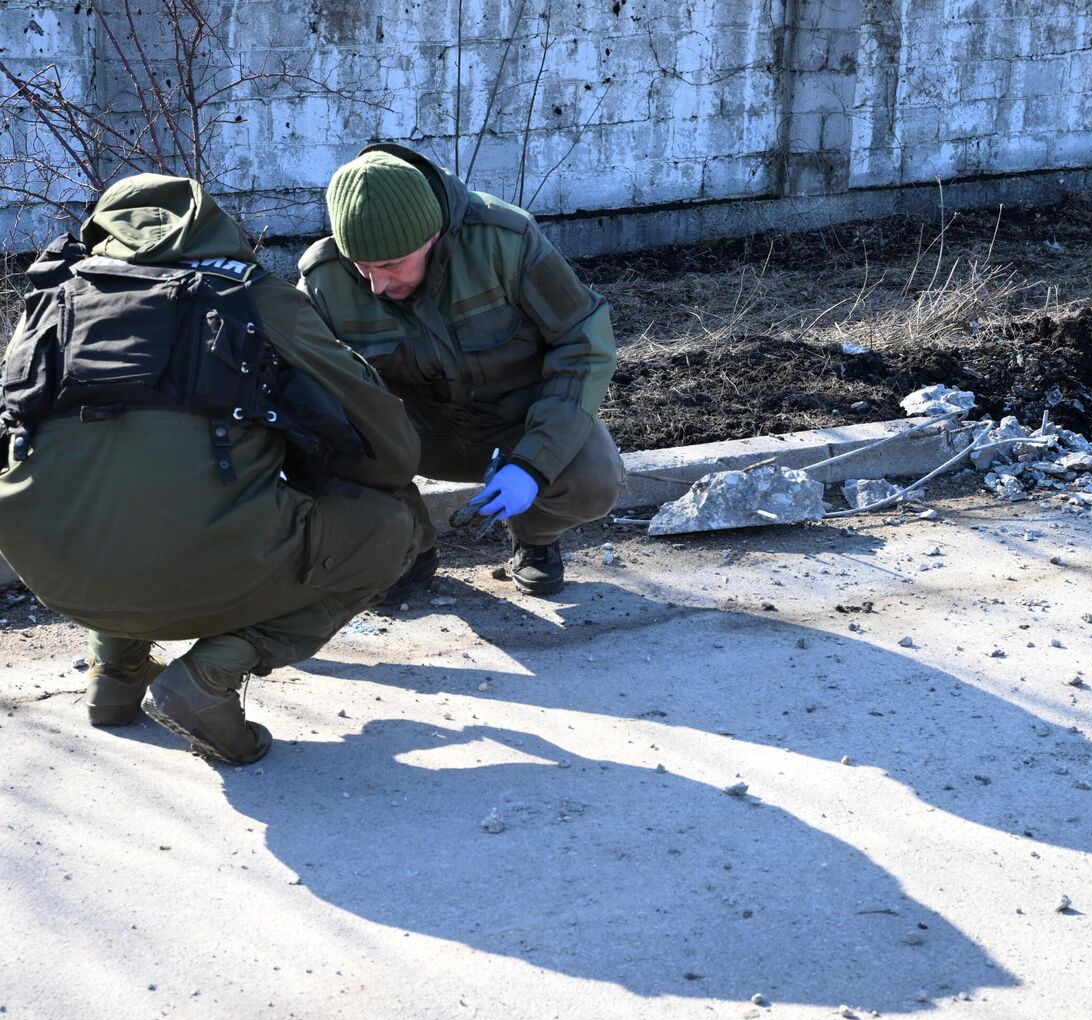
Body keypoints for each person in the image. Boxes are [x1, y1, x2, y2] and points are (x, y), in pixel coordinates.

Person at [0, 175, 423, 766]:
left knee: (115, 488)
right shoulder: (250, 295)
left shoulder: (51, 297)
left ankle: (113, 677)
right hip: (201, 567)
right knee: (392, 525)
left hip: (55, 575)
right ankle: (209, 677)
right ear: (212, 227)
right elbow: (391, 446)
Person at [298, 143, 624, 598]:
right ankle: (407, 550)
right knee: (318, 431)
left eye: (391, 264)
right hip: (417, 434)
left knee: (594, 479)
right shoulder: (324, 279)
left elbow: (582, 340)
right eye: (362, 267)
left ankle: (534, 538)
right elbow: (307, 387)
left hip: (517, 421)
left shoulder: (504, 240)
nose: (377, 284)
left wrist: (533, 464)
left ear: (432, 235)